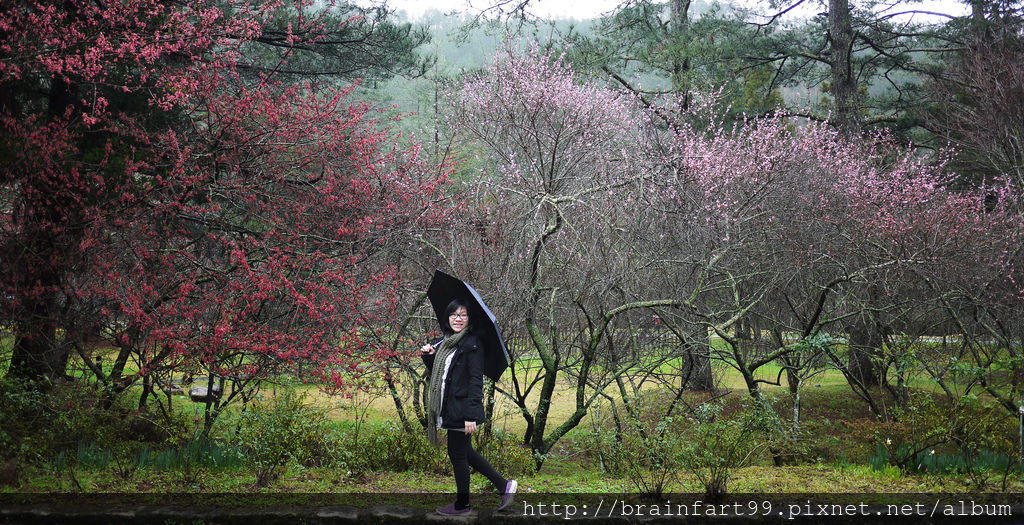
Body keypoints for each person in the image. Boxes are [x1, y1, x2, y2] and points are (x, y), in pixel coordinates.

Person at [420, 298, 517, 515]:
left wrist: (471, 415)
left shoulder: (472, 344)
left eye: (463, 314)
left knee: (457, 455)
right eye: (454, 314)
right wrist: (428, 357)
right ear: (447, 317)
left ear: (469, 318)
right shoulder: (447, 342)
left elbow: (475, 382)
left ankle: (463, 504)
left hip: (462, 409)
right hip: (450, 407)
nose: (458, 318)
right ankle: (504, 486)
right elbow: (441, 373)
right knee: (466, 453)